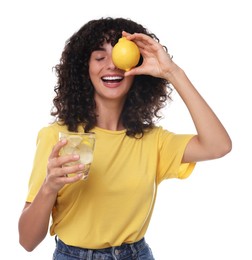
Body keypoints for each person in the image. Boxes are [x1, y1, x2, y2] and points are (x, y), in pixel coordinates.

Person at [18, 17, 232, 259]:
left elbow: (219, 145)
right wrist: (49, 187)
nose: (112, 65)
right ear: (83, 69)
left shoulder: (153, 141)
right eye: (100, 57)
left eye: (120, 55)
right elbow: (27, 241)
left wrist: (172, 71)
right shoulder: (58, 138)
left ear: (136, 67)